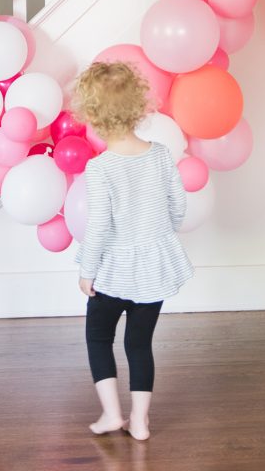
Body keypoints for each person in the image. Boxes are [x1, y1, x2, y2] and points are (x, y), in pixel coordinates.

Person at [72, 61, 193, 441]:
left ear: (92, 115)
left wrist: (87, 271)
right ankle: (140, 421)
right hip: (154, 270)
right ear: (139, 106)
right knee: (139, 344)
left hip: (112, 272)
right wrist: (160, 233)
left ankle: (112, 414)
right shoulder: (159, 154)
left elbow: (99, 227)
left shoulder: (100, 168)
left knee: (98, 338)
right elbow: (178, 205)